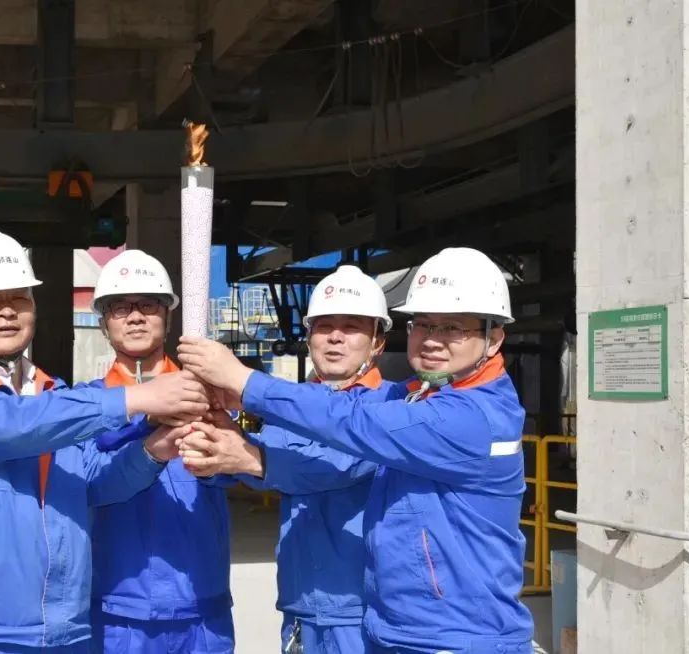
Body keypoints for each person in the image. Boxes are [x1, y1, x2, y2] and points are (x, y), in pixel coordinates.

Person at [178, 247, 534, 654]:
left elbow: (350, 433)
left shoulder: (466, 416)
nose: (433, 339)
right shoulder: (406, 400)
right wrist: (218, 442)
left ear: (494, 338)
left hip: (447, 635)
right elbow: (317, 424)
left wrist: (246, 390)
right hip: (384, 626)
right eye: (423, 324)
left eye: (453, 327)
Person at [0, 230, 210, 653]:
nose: (7, 311)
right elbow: (12, 425)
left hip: (65, 631)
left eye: (19, 298)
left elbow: (95, 482)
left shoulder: (54, 392)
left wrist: (154, 450)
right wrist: (136, 398)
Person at [179, 266, 393, 654]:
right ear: (309, 337)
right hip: (300, 609)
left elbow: (336, 466)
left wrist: (243, 456)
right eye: (324, 326)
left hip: (362, 614)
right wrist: (215, 441)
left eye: (351, 327)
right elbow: (264, 454)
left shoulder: (391, 406)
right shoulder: (289, 406)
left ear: (378, 341)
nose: (335, 337)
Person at [78, 249, 234, 654]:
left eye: (148, 305)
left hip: (202, 610)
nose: (135, 316)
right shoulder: (85, 407)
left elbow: (239, 472)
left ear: (167, 316)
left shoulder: (207, 395)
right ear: (104, 322)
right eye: (120, 307)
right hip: (117, 613)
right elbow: (91, 485)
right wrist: (148, 427)